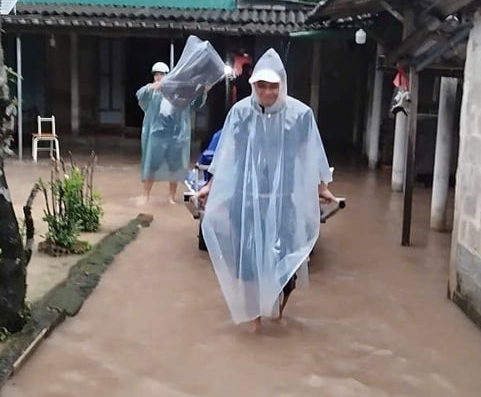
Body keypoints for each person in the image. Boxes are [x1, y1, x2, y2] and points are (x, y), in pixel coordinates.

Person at [195, 48, 337, 332]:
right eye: (262, 86)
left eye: (273, 86)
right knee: (247, 265)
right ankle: (254, 320)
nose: (268, 92)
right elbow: (227, 153)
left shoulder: (300, 116)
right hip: (246, 200)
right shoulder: (240, 114)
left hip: (284, 199)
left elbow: (311, 154)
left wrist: (321, 187)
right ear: (253, 86)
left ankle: (279, 309)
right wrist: (210, 185)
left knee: (285, 264)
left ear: (281, 85)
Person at [137, 61, 208, 204]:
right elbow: (140, 95)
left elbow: (194, 103)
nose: (159, 77)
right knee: (152, 164)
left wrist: (203, 91)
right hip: (156, 135)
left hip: (176, 136)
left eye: (161, 74)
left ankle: (171, 197)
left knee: (174, 167)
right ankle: (145, 195)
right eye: (156, 75)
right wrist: (152, 87)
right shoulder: (151, 92)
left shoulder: (178, 93)